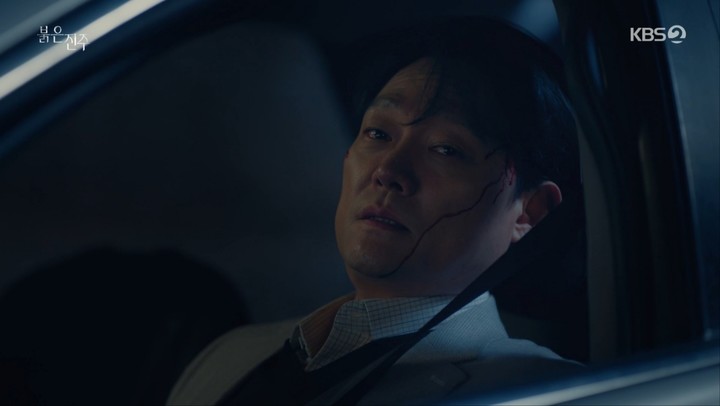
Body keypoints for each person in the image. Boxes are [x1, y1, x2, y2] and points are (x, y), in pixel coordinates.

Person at [168, 17, 583, 405]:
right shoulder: (231, 356)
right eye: (378, 133)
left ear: (529, 212)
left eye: (446, 149)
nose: (387, 171)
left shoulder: (547, 391)